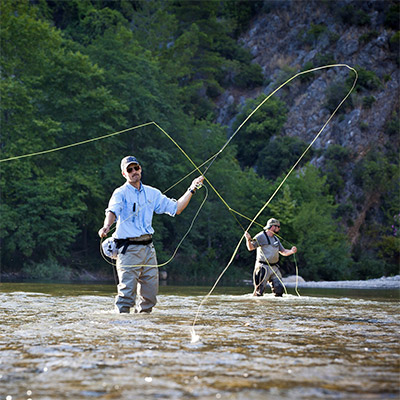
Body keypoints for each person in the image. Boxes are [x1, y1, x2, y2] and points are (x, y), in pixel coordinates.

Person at [98, 155, 204, 314]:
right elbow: (112, 210)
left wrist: (192, 188)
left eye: (136, 168)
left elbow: (176, 208)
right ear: (124, 174)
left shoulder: (152, 193)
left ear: (140, 169)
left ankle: (143, 330)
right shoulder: (120, 193)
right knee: (126, 295)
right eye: (130, 169)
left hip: (149, 250)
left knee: (150, 297)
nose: (134, 171)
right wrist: (106, 226)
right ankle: (121, 330)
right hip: (128, 250)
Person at [244, 218, 297, 297]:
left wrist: (292, 251)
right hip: (263, 267)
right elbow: (250, 248)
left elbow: (283, 252)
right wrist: (248, 240)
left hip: (274, 268)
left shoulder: (276, 239)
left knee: (279, 290)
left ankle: (274, 308)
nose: (279, 228)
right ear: (273, 227)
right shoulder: (261, 236)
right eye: (278, 227)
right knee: (259, 292)